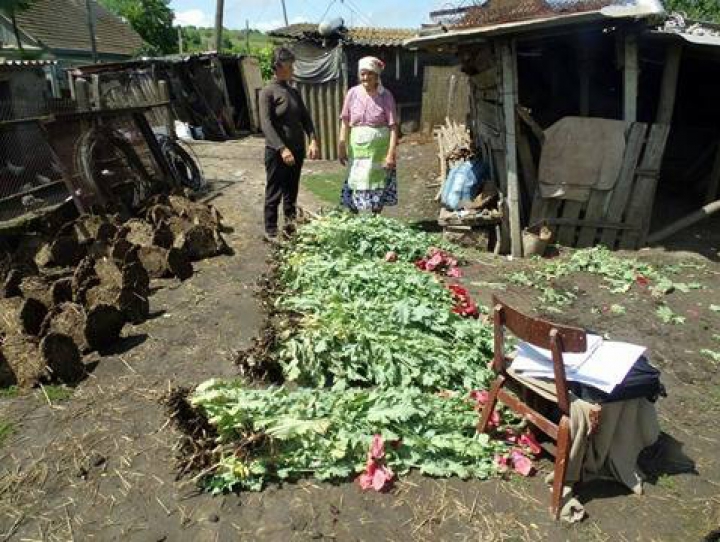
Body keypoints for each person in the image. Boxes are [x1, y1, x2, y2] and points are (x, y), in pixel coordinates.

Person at [259, 47, 320, 242]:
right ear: (278, 66)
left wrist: (313, 140)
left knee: (291, 191)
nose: (292, 68)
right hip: (277, 152)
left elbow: (306, 118)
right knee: (274, 190)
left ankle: (289, 225)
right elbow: (266, 124)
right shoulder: (267, 92)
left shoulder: (293, 92)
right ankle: (270, 230)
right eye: (289, 65)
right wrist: (281, 148)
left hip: (297, 150)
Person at [338, 56, 399, 214]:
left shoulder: (386, 96)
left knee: (378, 183)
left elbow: (393, 127)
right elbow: (345, 121)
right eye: (362, 74)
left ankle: (375, 220)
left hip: (378, 151)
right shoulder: (352, 93)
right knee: (356, 181)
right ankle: (355, 221)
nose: (365, 77)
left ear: (377, 75)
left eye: (369, 74)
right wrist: (341, 144)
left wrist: (390, 154)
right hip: (357, 150)